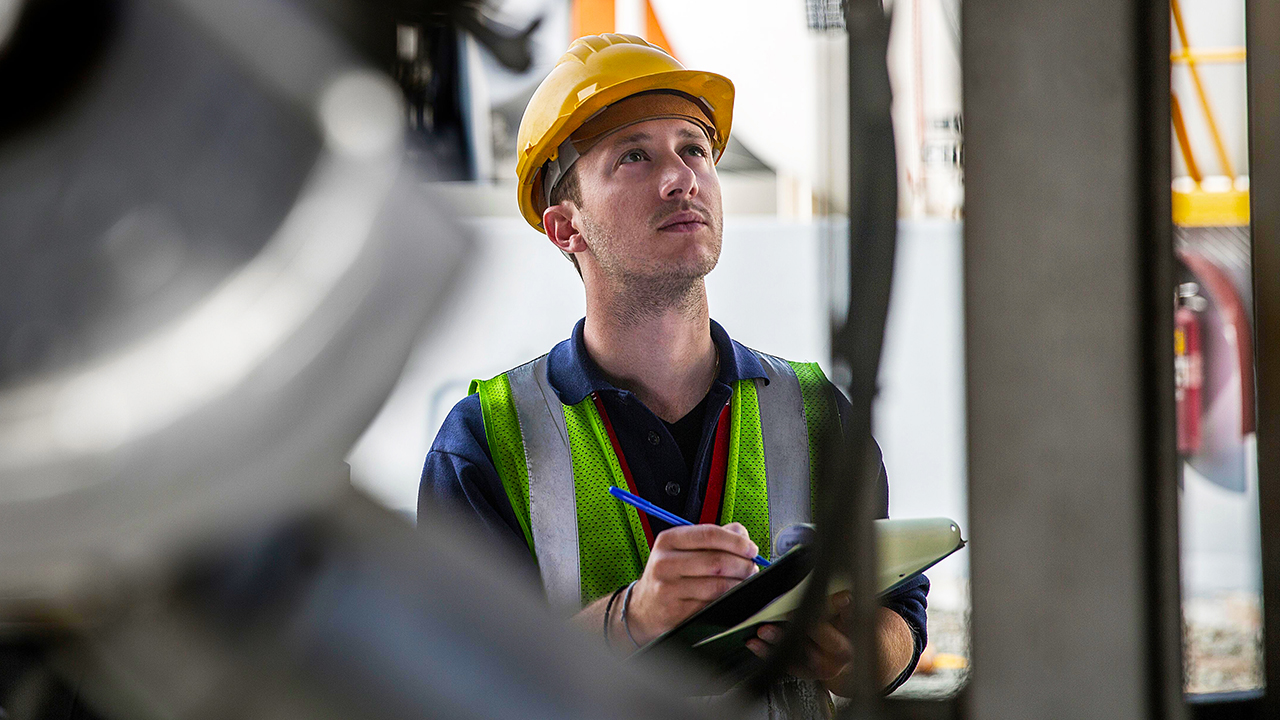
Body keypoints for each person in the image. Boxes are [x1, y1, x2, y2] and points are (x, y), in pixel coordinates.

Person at [419, 33, 928, 711]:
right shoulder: (486, 439)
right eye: (634, 156)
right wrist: (635, 617)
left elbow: (899, 616)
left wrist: (853, 653)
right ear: (564, 227)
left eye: (693, 149)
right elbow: (454, 673)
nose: (681, 177)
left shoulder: (813, 410)